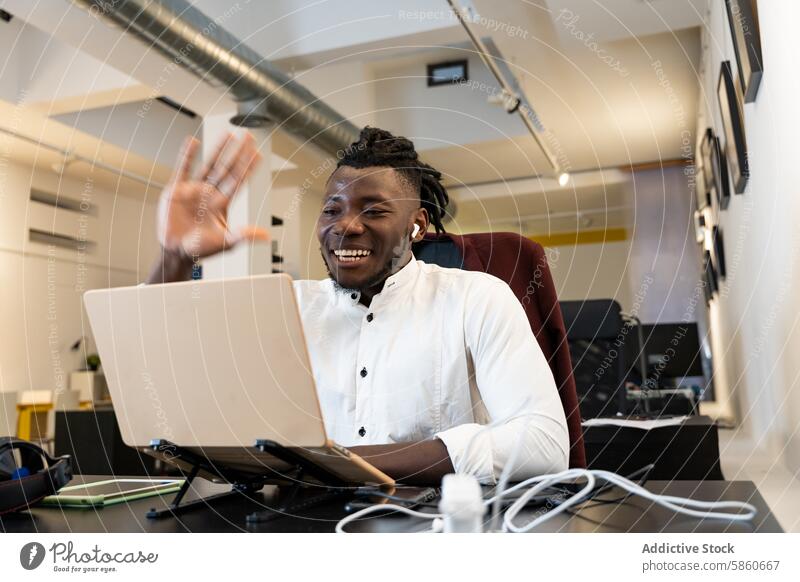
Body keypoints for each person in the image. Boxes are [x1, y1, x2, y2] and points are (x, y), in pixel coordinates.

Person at [147, 126, 568, 485]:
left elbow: (543, 444)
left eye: (373, 210)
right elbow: (169, 371)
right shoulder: (287, 305)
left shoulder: (477, 297)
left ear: (417, 225)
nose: (346, 225)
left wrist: (340, 462)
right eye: (332, 209)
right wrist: (174, 257)